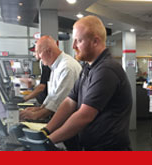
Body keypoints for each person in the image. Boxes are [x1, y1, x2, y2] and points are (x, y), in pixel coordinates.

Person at [40, 16, 132, 151]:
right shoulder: (88, 69)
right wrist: (46, 131)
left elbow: (84, 115)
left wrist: (48, 141)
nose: (73, 46)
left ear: (95, 41)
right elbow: (69, 102)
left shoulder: (106, 70)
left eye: (79, 41)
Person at [22, 36, 82, 121]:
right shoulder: (57, 66)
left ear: (49, 51)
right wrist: (38, 109)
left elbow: (59, 102)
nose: (37, 57)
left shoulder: (67, 67)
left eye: (38, 53)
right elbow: (53, 96)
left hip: (69, 121)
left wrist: (35, 116)